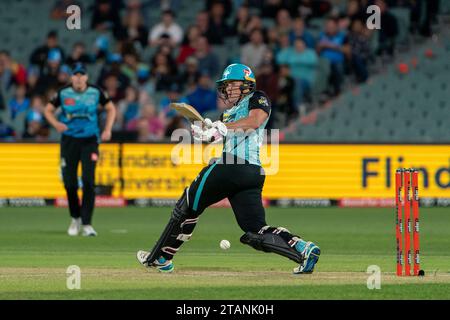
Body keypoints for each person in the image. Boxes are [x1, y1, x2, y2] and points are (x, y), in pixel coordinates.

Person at [136, 63, 320, 274]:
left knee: (187, 204)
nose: (227, 90)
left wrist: (222, 127)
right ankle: (304, 250)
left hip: (233, 166)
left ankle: (160, 257)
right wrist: (205, 132)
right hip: (251, 173)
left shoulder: (257, 98)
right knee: (255, 231)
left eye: (232, 85)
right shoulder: (228, 114)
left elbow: (254, 121)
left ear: (246, 85)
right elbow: (219, 132)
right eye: (226, 86)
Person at [44, 63, 116, 236]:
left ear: (86, 77)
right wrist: (56, 124)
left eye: (81, 75)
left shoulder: (95, 92)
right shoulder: (63, 93)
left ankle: (87, 224)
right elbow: (48, 110)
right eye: (75, 75)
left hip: (90, 141)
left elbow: (111, 108)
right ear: (71, 77)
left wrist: (107, 129)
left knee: (88, 181)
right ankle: (75, 218)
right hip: (69, 141)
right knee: (70, 183)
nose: (78, 78)